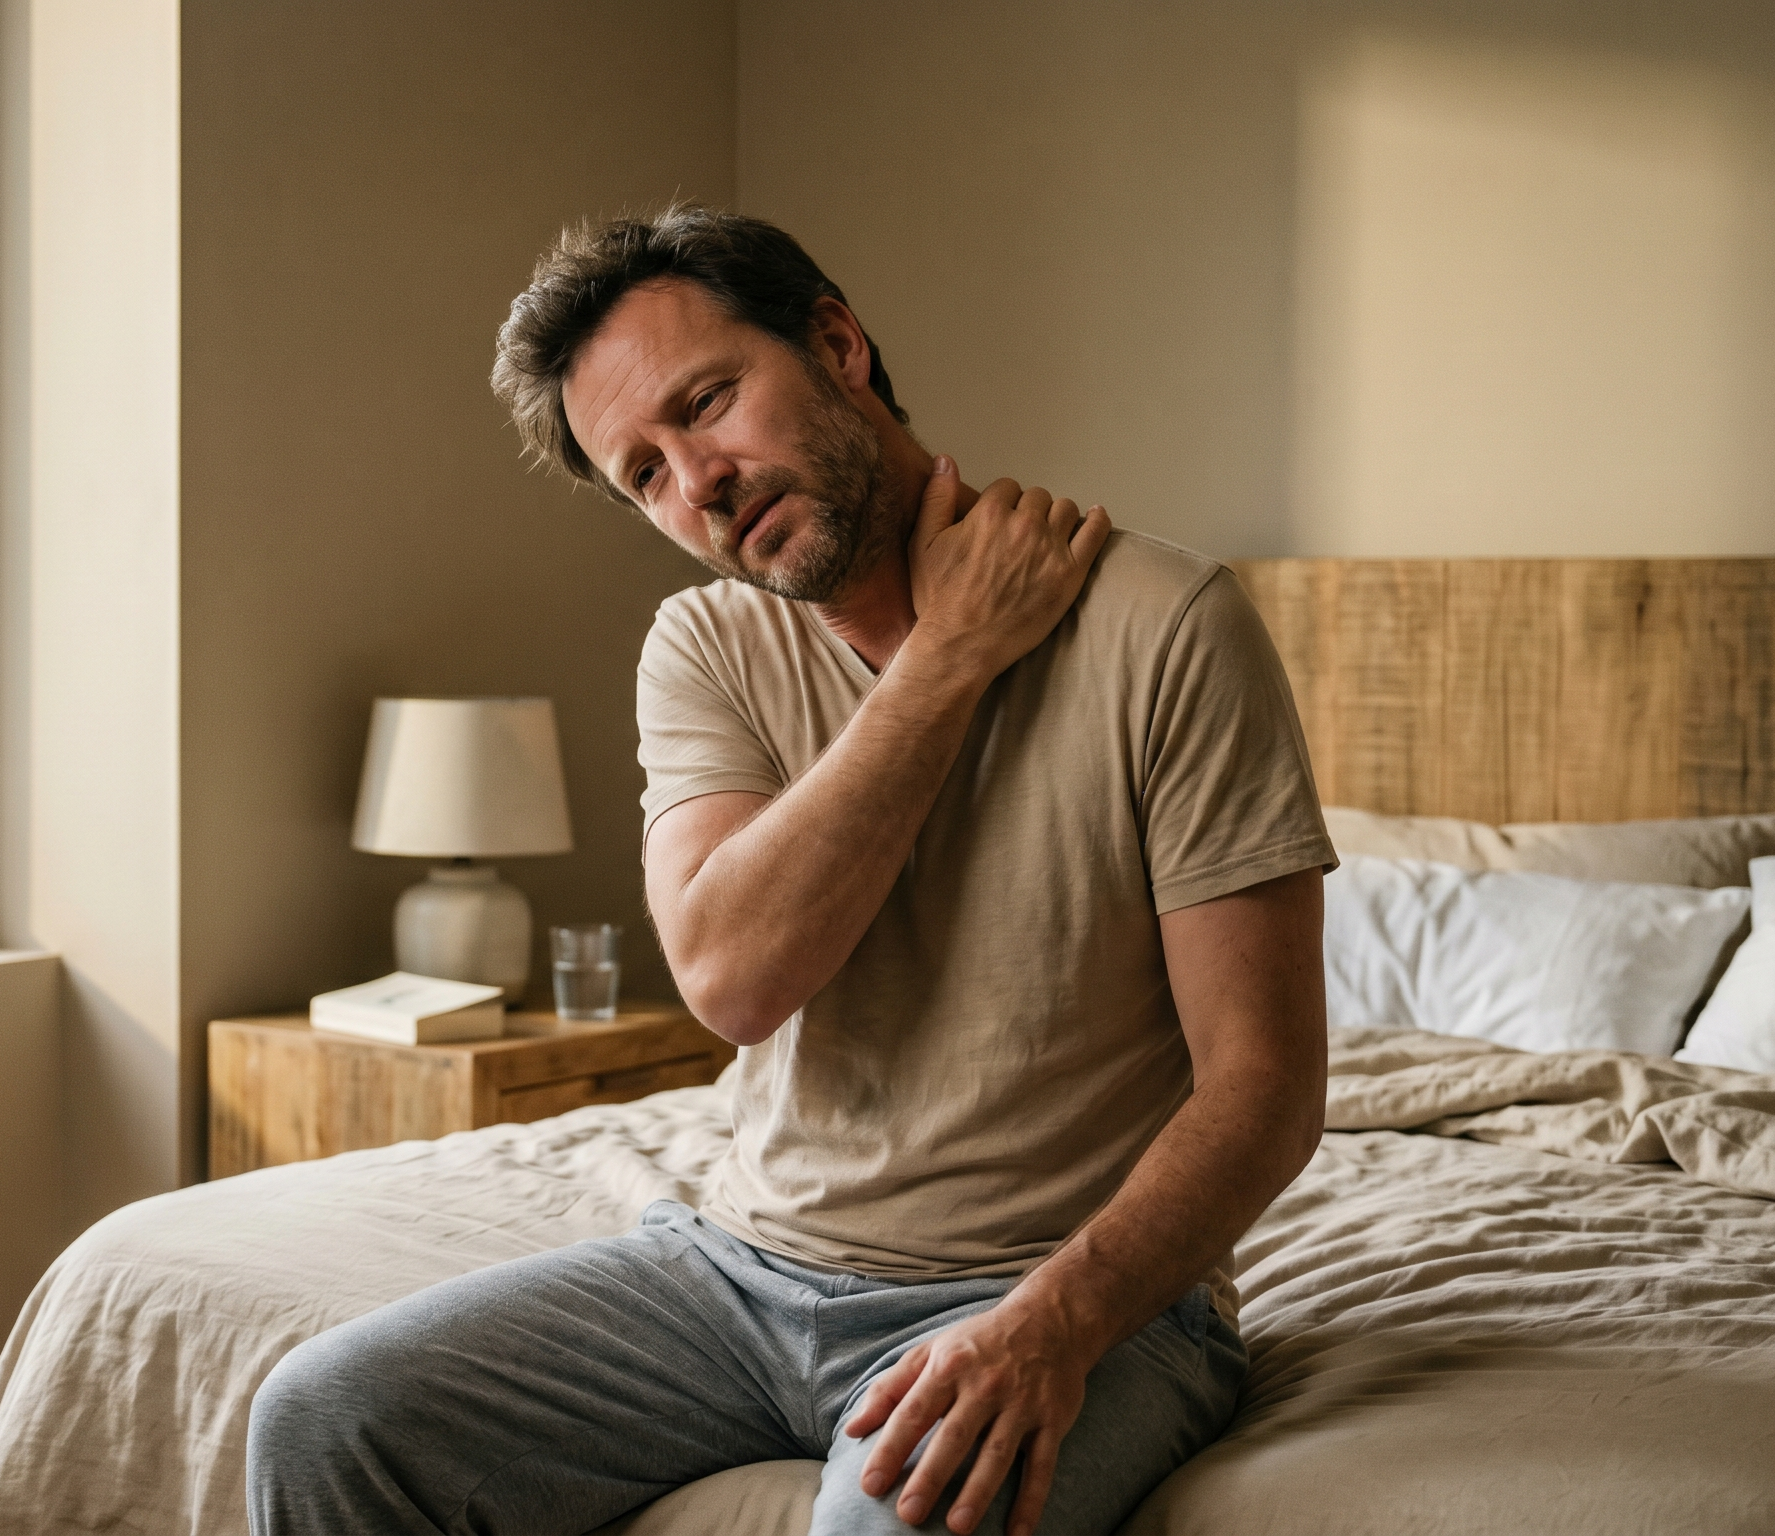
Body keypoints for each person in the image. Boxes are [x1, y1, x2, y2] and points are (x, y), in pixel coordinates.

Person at [247, 206, 1333, 1536]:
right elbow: (734, 981)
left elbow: (1267, 1088)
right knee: (326, 1415)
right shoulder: (703, 649)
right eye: (643, 473)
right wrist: (948, 661)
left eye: (708, 404)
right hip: (742, 1275)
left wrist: (1050, 1329)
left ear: (837, 342)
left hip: (1059, 1299)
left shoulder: (1167, 625)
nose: (695, 480)